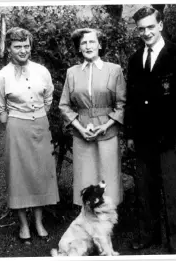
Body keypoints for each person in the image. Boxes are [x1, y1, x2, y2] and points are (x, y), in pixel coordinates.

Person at [124, 7, 176, 254]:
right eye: (141, 28)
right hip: (144, 138)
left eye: (150, 27)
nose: (146, 32)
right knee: (144, 190)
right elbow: (132, 100)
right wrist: (131, 134)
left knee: (173, 191)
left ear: (161, 25)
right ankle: (149, 235)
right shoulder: (135, 59)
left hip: (170, 137)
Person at [0, 27, 59, 244]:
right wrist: (16, 121)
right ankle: (23, 225)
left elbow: (48, 99)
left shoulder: (41, 71)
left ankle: (38, 222)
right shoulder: (2, 77)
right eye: (17, 46)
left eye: (26, 46)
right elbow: (0, 109)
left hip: (40, 124)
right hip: (17, 128)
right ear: (9, 49)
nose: (23, 50)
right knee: (18, 174)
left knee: (39, 173)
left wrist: (37, 116)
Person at [59, 28, 126, 207]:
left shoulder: (114, 70)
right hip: (82, 135)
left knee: (108, 179)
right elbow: (64, 105)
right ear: (79, 48)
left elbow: (122, 104)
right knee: (85, 179)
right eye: (83, 43)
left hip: (108, 133)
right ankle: (87, 226)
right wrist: (80, 128)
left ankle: (107, 227)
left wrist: (105, 126)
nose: (88, 46)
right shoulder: (72, 73)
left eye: (91, 41)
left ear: (100, 44)